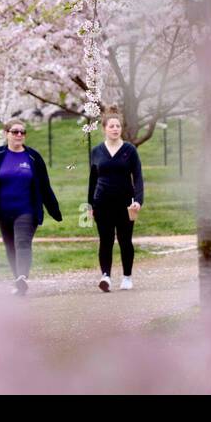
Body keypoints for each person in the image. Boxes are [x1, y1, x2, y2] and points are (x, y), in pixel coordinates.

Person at [0, 119, 62, 295]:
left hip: (27, 209)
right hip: (2, 210)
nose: (19, 135)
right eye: (15, 131)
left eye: (22, 132)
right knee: (10, 247)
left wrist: (53, 209)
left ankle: (22, 276)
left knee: (22, 242)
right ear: (6, 134)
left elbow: (44, 185)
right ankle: (19, 283)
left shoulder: (33, 157)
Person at [87, 111, 144, 292]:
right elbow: (92, 180)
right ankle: (106, 276)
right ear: (104, 129)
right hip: (102, 203)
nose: (115, 129)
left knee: (125, 240)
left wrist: (139, 201)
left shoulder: (130, 150)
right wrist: (89, 205)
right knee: (106, 240)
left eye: (118, 126)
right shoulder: (96, 151)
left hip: (125, 203)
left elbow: (138, 177)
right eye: (111, 126)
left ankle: (127, 277)